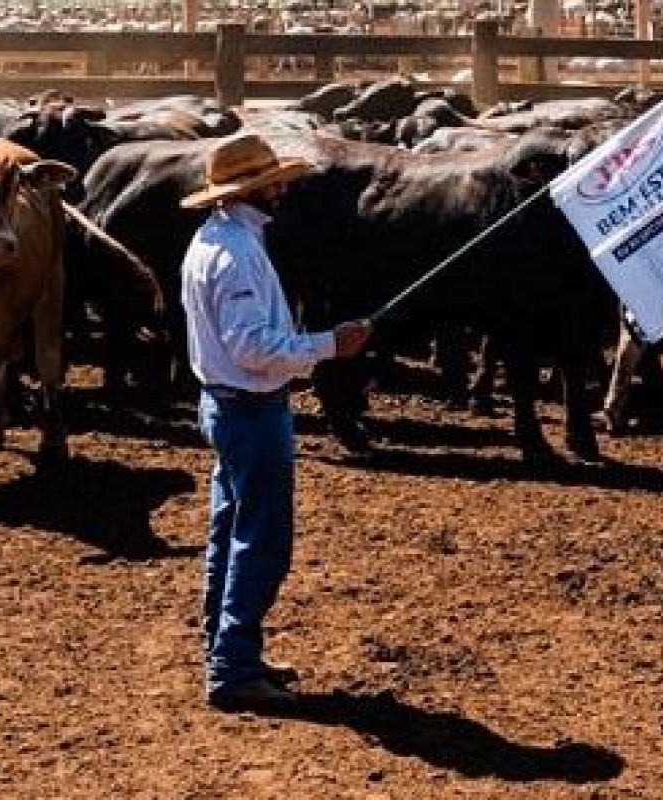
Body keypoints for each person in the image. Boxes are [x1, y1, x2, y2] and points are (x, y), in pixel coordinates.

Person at [178, 133, 373, 712]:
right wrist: (330, 345)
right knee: (262, 540)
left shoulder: (213, 241)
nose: (282, 190)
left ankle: (227, 647)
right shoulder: (237, 253)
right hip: (252, 409)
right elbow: (253, 348)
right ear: (251, 190)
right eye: (273, 183)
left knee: (231, 531)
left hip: (226, 405)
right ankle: (233, 668)